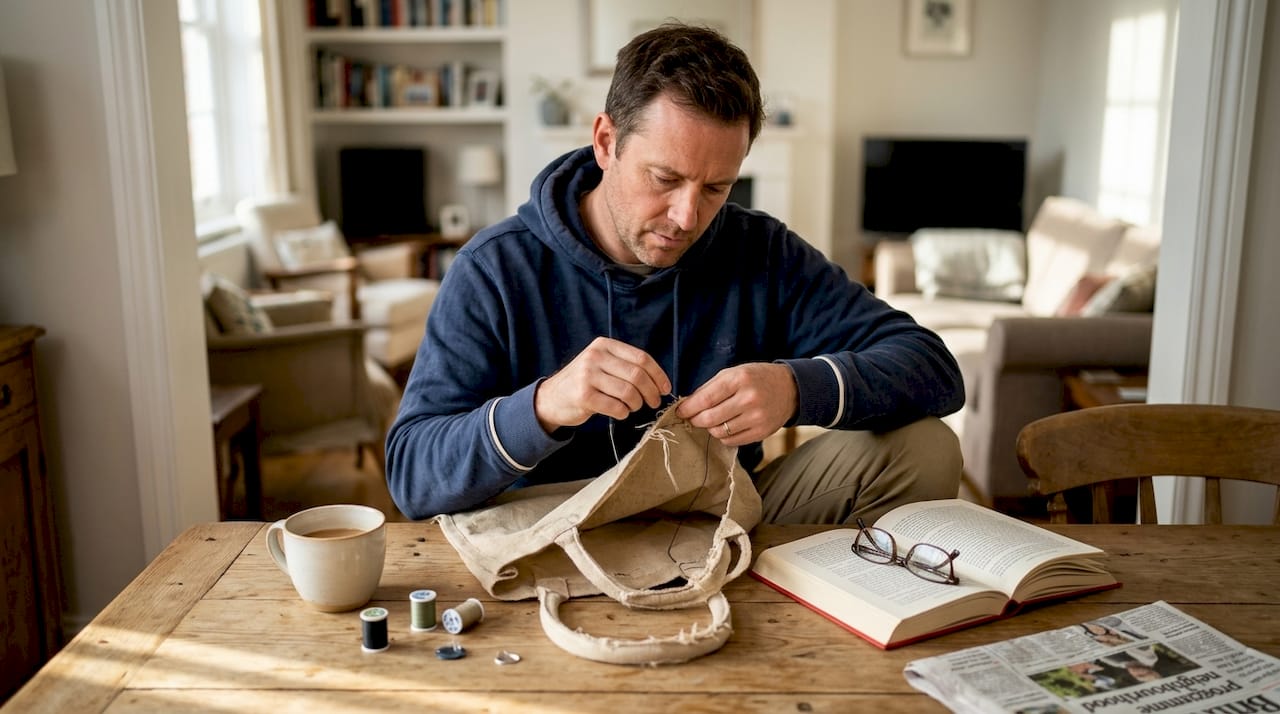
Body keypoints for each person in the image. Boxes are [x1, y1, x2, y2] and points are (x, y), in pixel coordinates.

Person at [386, 22, 964, 523]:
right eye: (664, 179)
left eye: (716, 187)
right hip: (550, 526)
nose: (688, 217)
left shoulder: (759, 250)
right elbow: (411, 477)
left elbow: (934, 368)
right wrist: (542, 406)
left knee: (925, 447)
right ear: (606, 142)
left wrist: (795, 389)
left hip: (719, 515)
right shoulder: (494, 269)